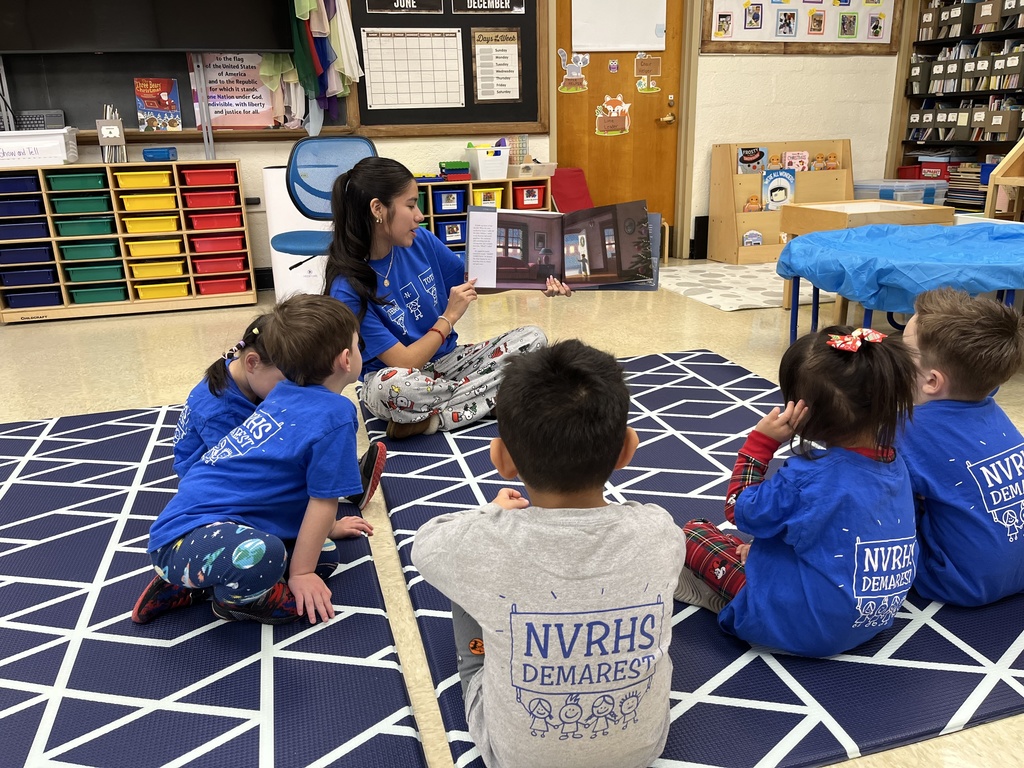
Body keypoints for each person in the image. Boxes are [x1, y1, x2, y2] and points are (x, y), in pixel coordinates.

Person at [412, 340, 686, 768]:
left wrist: (492, 513)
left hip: (515, 758)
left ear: (501, 460)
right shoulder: (661, 530)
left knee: (467, 564)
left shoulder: (481, 540)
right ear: (627, 449)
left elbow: (425, 547)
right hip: (643, 750)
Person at [676, 326, 918, 657]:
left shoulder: (806, 478)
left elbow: (739, 509)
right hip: (872, 617)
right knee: (780, 532)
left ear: (803, 414)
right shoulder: (896, 464)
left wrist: (761, 442)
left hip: (802, 626)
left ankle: (734, 603)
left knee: (692, 533)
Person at [132, 294, 374, 626]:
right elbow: (321, 501)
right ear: (346, 359)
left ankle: (193, 585)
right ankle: (231, 602)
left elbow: (284, 482)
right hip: (181, 538)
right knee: (272, 555)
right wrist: (301, 574)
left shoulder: (282, 392)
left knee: (325, 553)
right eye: (358, 345)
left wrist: (325, 533)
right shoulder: (336, 413)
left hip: (218, 527)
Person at [324, 156, 571, 441]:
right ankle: (491, 397)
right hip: (400, 378)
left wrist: (535, 279)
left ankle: (435, 417)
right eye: (410, 205)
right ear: (378, 209)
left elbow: (470, 281)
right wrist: (448, 317)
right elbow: (404, 362)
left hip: (449, 361)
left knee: (534, 339)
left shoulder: (420, 239)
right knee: (386, 390)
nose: (419, 215)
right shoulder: (347, 288)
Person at [173, 314, 386, 512]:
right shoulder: (219, 412)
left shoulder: (243, 373)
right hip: (211, 485)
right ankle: (335, 484)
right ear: (252, 363)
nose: (295, 386)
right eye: (287, 379)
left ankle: (340, 476)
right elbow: (237, 471)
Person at [898, 287, 1024, 606]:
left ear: (932, 381)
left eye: (902, 353)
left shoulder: (905, 428)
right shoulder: (993, 410)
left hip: (958, 581)